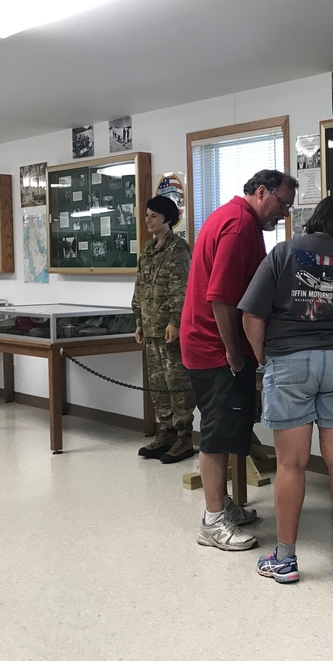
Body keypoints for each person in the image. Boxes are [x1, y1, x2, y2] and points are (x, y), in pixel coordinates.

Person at [240, 196, 333, 583]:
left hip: (289, 359)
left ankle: (285, 560)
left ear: (314, 221)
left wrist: (263, 358)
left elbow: (252, 315)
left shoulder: (282, 253)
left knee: (292, 464)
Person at [181, 169, 299, 551]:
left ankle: (223, 504)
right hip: (214, 348)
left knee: (231, 428)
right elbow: (220, 297)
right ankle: (212, 521)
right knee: (217, 434)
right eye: (281, 205)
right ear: (261, 192)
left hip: (213, 345)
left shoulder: (234, 218)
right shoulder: (238, 226)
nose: (283, 214)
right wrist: (233, 351)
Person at [132, 195, 196, 464]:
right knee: (158, 384)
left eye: (153, 217)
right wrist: (138, 321)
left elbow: (182, 288)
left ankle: (184, 435)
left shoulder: (178, 248)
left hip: (169, 328)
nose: (148, 221)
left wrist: (175, 322)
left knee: (177, 381)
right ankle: (166, 430)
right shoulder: (148, 250)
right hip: (150, 326)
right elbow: (140, 287)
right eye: (146, 215)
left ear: (167, 219)